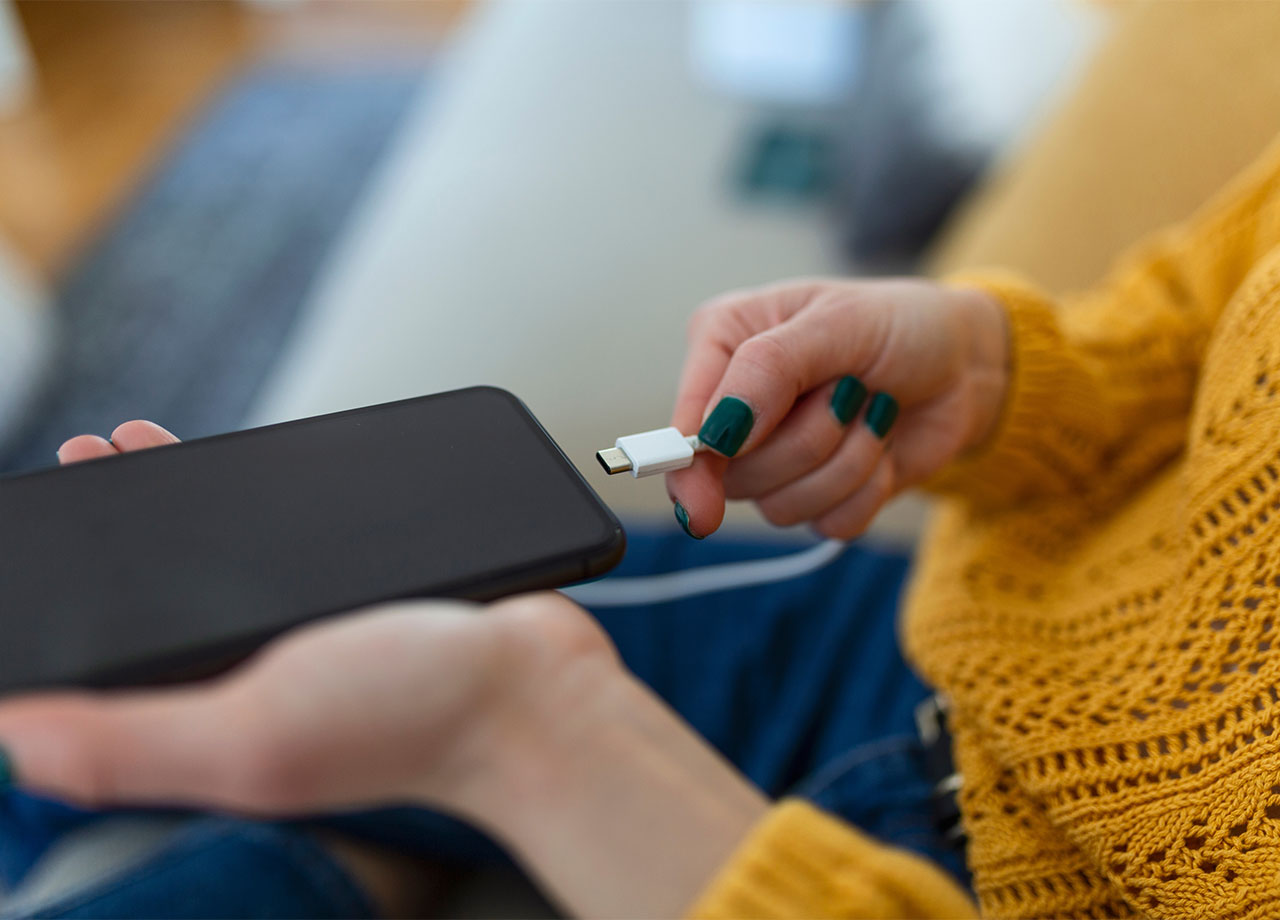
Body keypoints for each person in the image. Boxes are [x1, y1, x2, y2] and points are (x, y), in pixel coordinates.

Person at [2, 127, 1280, 918]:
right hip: (916, 644)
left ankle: (333, 852)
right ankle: (348, 850)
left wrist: (525, 741)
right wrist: (1005, 372)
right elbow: (1204, 306)